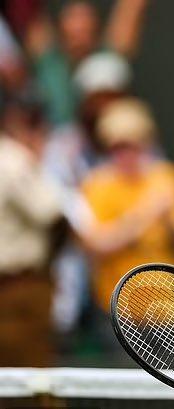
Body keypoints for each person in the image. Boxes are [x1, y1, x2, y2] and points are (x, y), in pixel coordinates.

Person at [78, 97, 174, 359]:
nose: (125, 155)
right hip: (119, 310)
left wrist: (171, 218)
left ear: (146, 143)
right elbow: (97, 244)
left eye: (132, 145)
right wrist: (145, 214)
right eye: (117, 147)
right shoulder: (98, 186)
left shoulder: (167, 176)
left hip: (169, 311)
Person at [0, 98, 62, 366]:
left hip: (16, 287)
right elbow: (54, 216)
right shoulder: (12, 159)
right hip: (17, 289)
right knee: (30, 381)